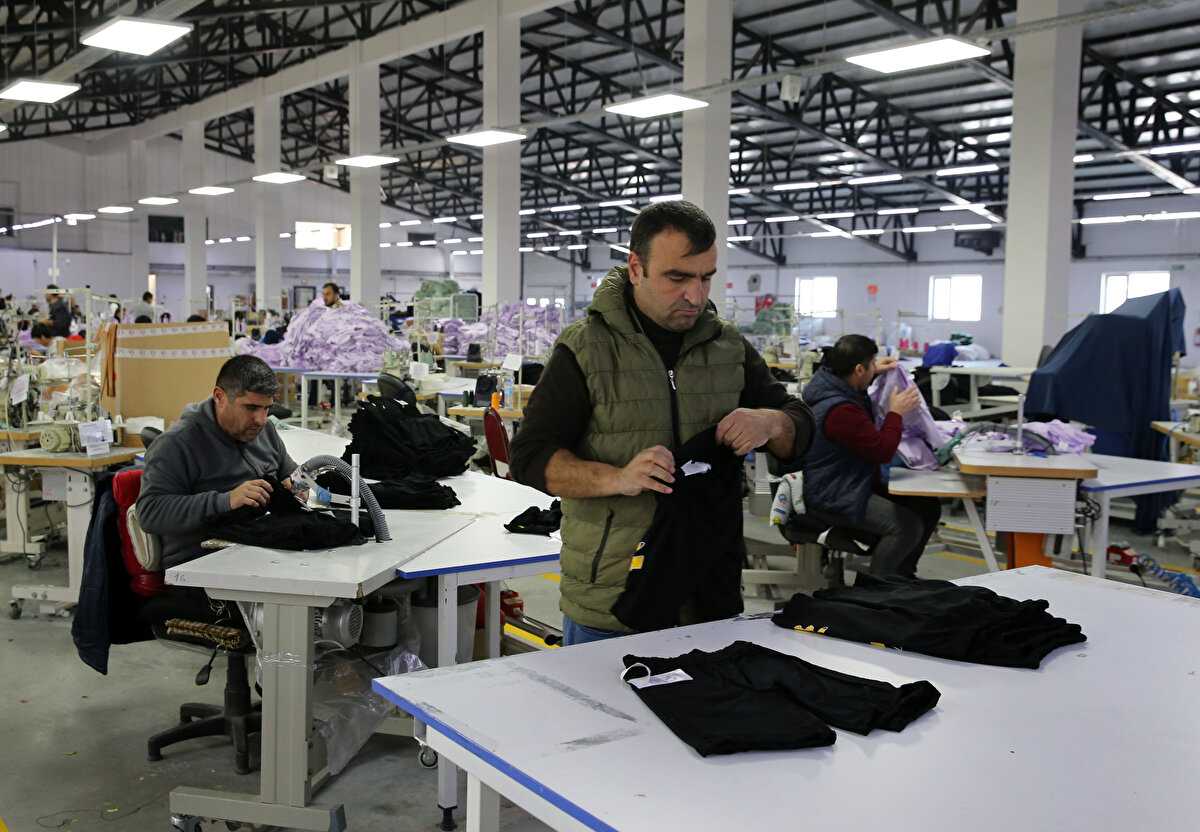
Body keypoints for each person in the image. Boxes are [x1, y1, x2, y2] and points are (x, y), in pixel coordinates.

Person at [509, 200, 814, 646]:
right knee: (604, 716)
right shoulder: (586, 350)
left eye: (705, 277)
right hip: (612, 600)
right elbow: (530, 458)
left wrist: (769, 423)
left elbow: (799, 426)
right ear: (636, 268)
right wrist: (618, 477)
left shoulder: (728, 347)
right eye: (677, 277)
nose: (696, 294)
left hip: (709, 595)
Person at [137, 355, 298, 571]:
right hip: (199, 567)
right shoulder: (177, 443)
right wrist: (225, 501)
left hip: (257, 552)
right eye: (250, 407)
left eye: (266, 408)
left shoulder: (265, 431)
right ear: (220, 396)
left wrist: (297, 485)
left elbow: (289, 473)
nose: (260, 419)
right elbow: (150, 513)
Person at [801, 334, 941, 579]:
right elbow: (882, 451)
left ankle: (902, 576)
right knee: (905, 526)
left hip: (848, 480)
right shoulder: (841, 411)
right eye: (871, 364)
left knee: (927, 506)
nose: (874, 369)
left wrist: (875, 373)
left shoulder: (829, 387)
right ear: (858, 369)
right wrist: (895, 413)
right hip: (834, 493)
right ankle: (877, 588)